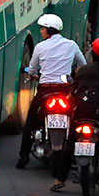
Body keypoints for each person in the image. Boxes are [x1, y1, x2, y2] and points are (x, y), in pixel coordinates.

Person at [50, 37, 99, 190]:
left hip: (81, 114)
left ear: (92, 54)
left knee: (70, 144)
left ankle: (59, 180)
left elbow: (73, 92)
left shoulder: (83, 70)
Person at [16, 14, 86, 169]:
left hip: (45, 91)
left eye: (42, 29)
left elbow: (33, 69)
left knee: (30, 123)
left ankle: (24, 158)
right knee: (76, 120)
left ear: (49, 30)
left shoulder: (40, 47)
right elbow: (83, 65)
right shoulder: (72, 45)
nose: (41, 32)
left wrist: (33, 75)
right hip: (65, 91)